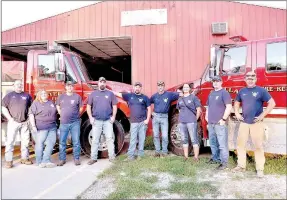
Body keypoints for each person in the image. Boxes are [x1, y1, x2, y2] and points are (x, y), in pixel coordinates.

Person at [232, 71, 276, 177]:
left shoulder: (261, 91)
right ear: (245, 79)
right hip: (244, 123)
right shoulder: (242, 91)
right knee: (240, 145)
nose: (250, 79)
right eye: (248, 77)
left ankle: (260, 169)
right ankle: (241, 166)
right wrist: (237, 113)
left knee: (258, 146)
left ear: (255, 79)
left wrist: (262, 115)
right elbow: (237, 103)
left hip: (256, 123)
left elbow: (272, 103)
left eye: (252, 77)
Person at [113, 82, 151, 161]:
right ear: (134, 88)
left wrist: (147, 120)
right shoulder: (129, 96)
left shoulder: (145, 98)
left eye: (139, 87)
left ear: (141, 88)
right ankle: (131, 156)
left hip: (142, 122)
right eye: (136, 87)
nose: (137, 88)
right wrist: (109, 91)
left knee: (141, 139)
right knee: (133, 139)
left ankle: (140, 155)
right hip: (133, 122)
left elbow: (149, 109)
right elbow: (119, 94)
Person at [2, 80, 33, 168]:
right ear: (13, 86)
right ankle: (9, 161)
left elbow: (31, 108)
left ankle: (24, 158)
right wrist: (10, 118)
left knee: (25, 142)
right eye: (17, 84)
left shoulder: (27, 95)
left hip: (24, 123)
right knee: (10, 141)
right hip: (13, 123)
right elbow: (3, 108)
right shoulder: (9, 96)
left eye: (20, 84)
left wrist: (28, 119)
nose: (19, 86)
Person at [86, 77, 118, 165]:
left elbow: (115, 106)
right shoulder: (93, 94)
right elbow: (88, 106)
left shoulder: (110, 94)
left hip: (108, 121)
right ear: (98, 83)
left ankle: (112, 157)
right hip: (96, 121)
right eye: (101, 82)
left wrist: (113, 117)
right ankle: (93, 158)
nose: (102, 83)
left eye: (104, 82)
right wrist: (91, 118)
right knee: (95, 140)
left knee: (110, 139)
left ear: (105, 83)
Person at [205, 76, 232, 170]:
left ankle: (224, 163)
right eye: (214, 81)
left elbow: (229, 107)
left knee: (222, 144)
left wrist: (223, 119)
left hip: (220, 123)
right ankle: (215, 158)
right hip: (211, 123)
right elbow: (208, 107)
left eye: (217, 81)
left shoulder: (224, 93)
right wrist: (206, 117)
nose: (215, 83)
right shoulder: (211, 93)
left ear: (221, 82)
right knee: (212, 143)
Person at [150, 81, 180, 157]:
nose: (160, 87)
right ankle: (157, 152)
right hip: (156, 117)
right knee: (156, 135)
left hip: (164, 117)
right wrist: (150, 113)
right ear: (157, 87)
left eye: (162, 86)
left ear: (164, 86)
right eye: (159, 86)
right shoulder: (154, 96)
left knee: (165, 136)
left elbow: (180, 95)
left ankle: (164, 152)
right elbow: (147, 103)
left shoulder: (169, 94)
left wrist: (186, 91)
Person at [56, 81, 83, 166]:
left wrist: (76, 115)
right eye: (68, 86)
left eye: (71, 86)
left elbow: (81, 107)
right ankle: (62, 159)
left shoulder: (77, 97)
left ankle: (76, 158)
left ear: (73, 87)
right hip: (63, 122)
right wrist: (61, 113)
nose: (70, 87)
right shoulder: (61, 97)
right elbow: (57, 106)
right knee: (62, 142)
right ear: (66, 87)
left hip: (75, 122)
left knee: (76, 141)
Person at [29, 89, 57, 168]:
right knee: (40, 144)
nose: (44, 94)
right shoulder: (36, 103)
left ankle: (46, 161)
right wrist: (33, 126)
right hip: (41, 127)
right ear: (39, 95)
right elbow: (31, 115)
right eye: (42, 93)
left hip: (52, 126)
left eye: (45, 93)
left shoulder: (50, 102)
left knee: (51, 143)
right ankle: (39, 161)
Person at [177, 83, 202, 161]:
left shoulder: (194, 97)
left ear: (189, 89)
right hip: (182, 122)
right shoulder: (180, 99)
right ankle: (186, 156)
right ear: (182, 89)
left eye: (187, 87)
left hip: (191, 121)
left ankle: (196, 157)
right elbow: (179, 109)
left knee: (194, 139)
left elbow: (199, 109)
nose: (185, 88)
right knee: (184, 139)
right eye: (184, 87)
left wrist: (195, 119)